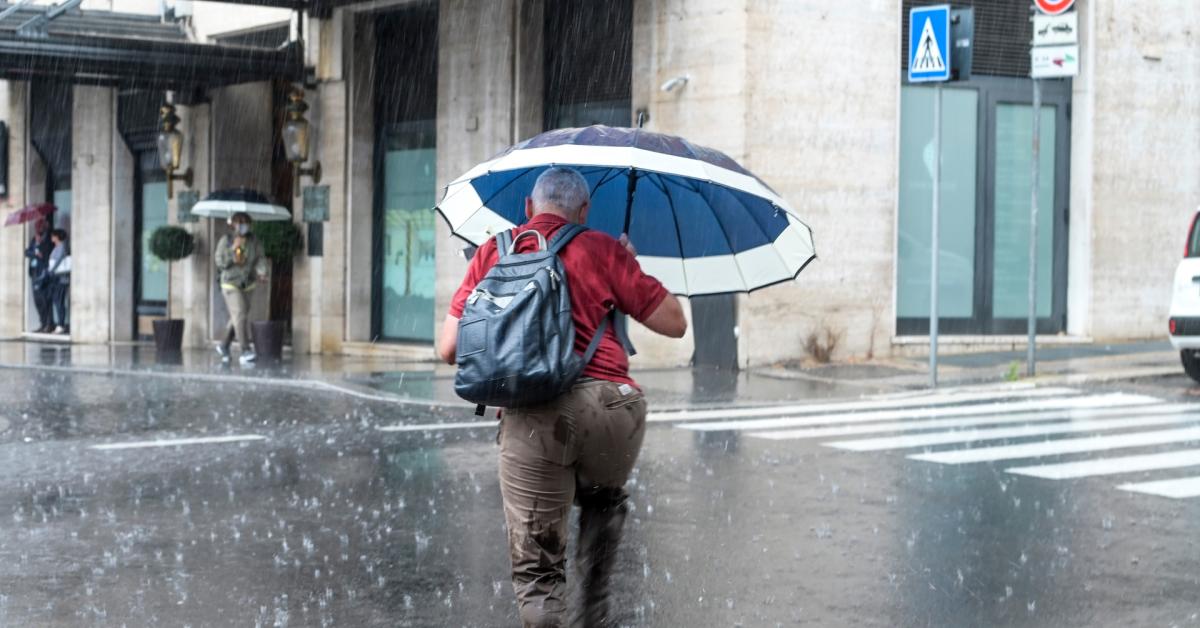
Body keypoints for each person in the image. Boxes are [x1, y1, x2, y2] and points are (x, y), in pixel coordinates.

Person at [437, 167, 687, 628]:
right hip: (615, 409)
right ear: (585, 211)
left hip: (535, 416)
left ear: (528, 208)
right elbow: (675, 322)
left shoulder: (496, 249)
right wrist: (628, 265)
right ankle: (594, 602)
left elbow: (449, 348)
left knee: (539, 574)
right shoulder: (603, 248)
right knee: (602, 497)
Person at [214, 212, 268, 364]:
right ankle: (245, 350)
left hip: (248, 284)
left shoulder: (254, 241)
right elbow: (220, 262)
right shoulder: (226, 240)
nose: (243, 225)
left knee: (237, 316)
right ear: (233, 224)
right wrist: (233, 250)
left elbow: (260, 258)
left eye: (246, 222)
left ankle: (224, 345)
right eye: (240, 222)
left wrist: (262, 272)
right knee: (240, 315)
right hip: (230, 283)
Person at [24, 218, 53, 333]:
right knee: (37, 300)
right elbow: (27, 252)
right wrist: (35, 251)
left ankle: (49, 324)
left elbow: (46, 254)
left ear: (45, 227)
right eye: (37, 226)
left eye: (40, 226)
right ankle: (42, 323)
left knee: (45, 299)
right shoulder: (34, 239)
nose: (38, 228)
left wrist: (39, 246)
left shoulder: (48, 239)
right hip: (34, 271)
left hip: (43, 272)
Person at [46, 229, 70, 334]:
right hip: (56, 277)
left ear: (57, 237)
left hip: (61, 278)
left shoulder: (62, 246)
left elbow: (59, 259)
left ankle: (61, 325)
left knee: (59, 301)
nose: (51, 237)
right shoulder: (56, 247)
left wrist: (52, 270)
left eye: (53, 236)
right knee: (56, 301)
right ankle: (59, 324)